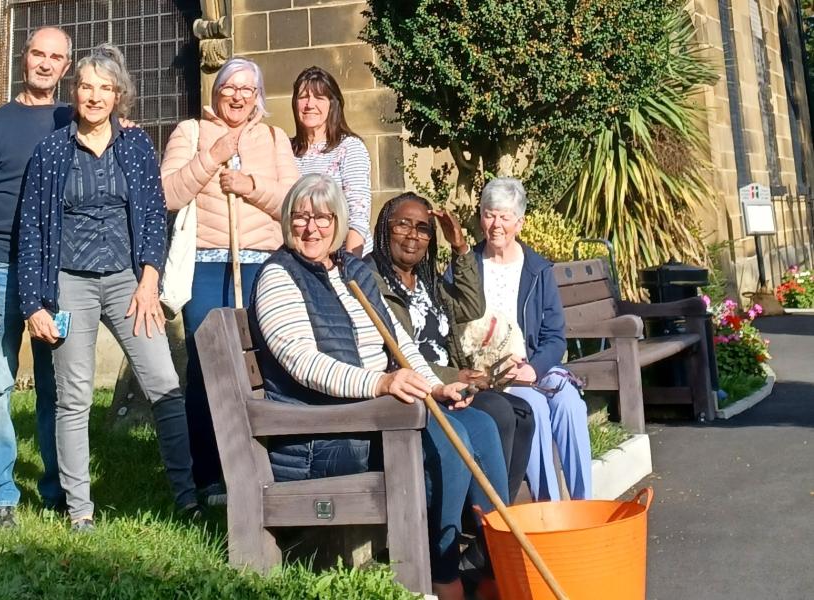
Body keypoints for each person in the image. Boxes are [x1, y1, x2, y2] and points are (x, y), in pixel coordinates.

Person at [250, 173, 509, 600]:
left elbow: (397, 339)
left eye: (322, 217)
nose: (311, 228)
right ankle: (440, 572)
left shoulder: (350, 269)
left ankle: (497, 558)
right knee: (449, 440)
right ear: (286, 221)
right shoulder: (279, 276)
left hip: (368, 417)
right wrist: (382, 382)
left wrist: (434, 386)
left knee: (479, 425)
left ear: (338, 222)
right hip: (321, 434)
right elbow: (303, 362)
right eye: (300, 217)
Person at [18, 43, 198, 531]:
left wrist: (149, 280)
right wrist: (34, 303)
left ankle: (187, 497)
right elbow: (31, 229)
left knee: (164, 383)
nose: (94, 96)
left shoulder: (136, 145)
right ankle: (79, 510)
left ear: (119, 95)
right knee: (73, 397)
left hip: (128, 284)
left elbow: (153, 215)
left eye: (105, 87)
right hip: (69, 283)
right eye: (86, 86)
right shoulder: (52, 152)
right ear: (74, 92)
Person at [161, 57, 298, 504]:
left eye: (247, 89)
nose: (238, 96)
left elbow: (293, 202)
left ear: (258, 96)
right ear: (216, 91)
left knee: (268, 365)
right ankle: (209, 474)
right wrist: (213, 156)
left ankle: (271, 464)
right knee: (209, 367)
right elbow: (169, 192)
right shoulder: (191, 132)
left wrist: (248, 184)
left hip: (264, 266)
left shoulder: (274, 138)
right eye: (229, 88)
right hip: (207, 266)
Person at [0, 26, 73, 528]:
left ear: (67, 67)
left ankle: (59, 490)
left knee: (57, 388)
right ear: (23, 58)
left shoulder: (73, 121)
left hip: (53, 273)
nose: (45, 64)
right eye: (38, 54)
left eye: (55, 57)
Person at [370, 192, 535, 501]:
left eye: (423, 229)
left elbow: (472, 307)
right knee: (499, 411)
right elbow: (395, 356)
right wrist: (455, 377)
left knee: (523, 413)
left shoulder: (425, 279)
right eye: (403, 224)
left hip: (452, 382)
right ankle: (481, 515)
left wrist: (460, 247)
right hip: (421, 388)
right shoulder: (374, 281)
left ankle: (498, 510)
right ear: (384, 227)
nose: (413, 236)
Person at [473, 178, 592, 501]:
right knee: (534, 407)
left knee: (569, 403)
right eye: (489, 214)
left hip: (534, 366)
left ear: (520, 222)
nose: (496, 225)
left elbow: (554, 336)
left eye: (505, 217)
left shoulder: (538, 270)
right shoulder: (468, 267)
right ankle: (548, 506)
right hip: (492, 372)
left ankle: (584, 502)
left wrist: (534, 369)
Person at [291, 66, 372, 257]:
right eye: (303, 97)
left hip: (343, 257)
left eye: (319, 98)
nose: (310, 104)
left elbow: (358, 215)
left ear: (332, 104)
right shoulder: (285, 150)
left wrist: (349, 265)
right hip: (301, 258)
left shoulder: (349, 147)